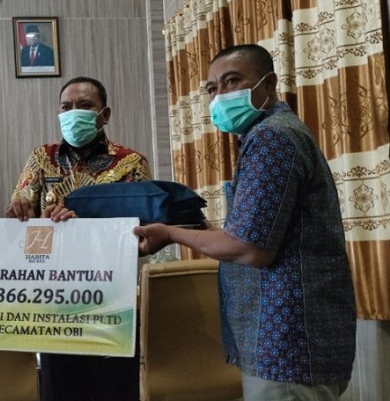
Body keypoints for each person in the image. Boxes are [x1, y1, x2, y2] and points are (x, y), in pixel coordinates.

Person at [134, 44, 356, 401]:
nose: (220, 95)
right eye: (212, 88)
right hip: (293, 341)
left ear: (268, 84)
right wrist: (201, 230)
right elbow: (259, 233)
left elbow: (251, 250)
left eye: (232, 81)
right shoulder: (277, 134)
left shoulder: (271, 139)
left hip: (285, 345)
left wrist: (170, 234)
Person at [6, 76, 151, 401]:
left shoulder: (130, 163)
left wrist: (86, 227)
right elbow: (21, 224)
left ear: (104, 114)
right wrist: (24, 215)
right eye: (66, 107)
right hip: (55, 302)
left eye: (84, 106)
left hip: (112, 303)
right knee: (60, 389)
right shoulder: (41, 159)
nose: (74, 113)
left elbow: (143, 236)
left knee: (114, 390)